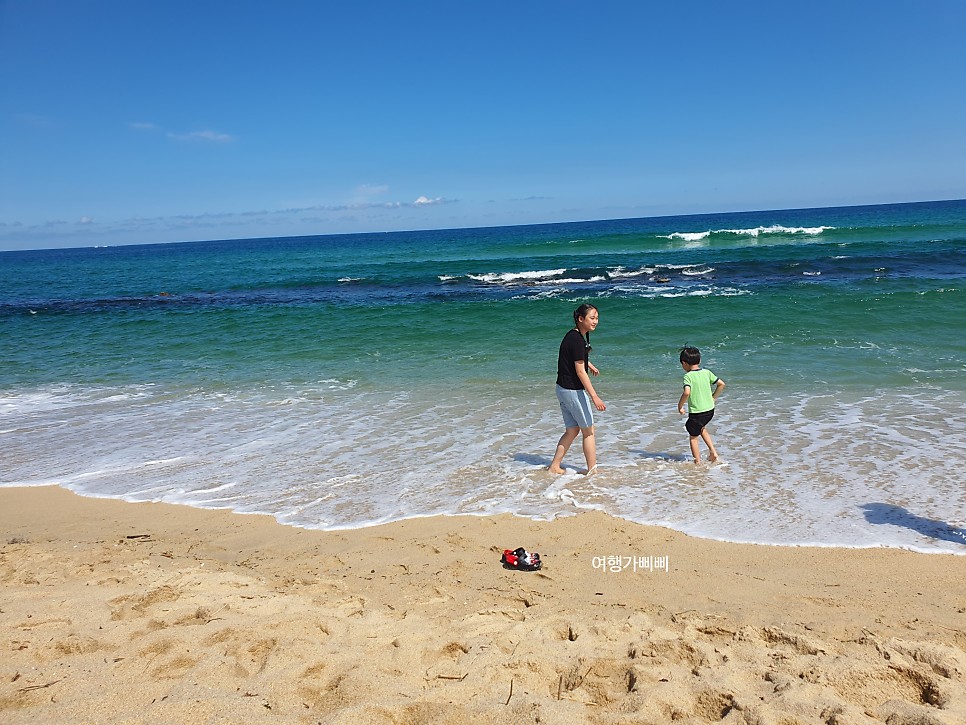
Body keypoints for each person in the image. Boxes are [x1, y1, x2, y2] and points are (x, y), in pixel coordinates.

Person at [548, 304, 606, 475]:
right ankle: (592, 471)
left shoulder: (575, 336)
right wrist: (594, 396)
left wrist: (590, 364)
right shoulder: (577, 340)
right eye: (592, 318)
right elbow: (580, 371)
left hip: (562, 389)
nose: (596, 321)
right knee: (588, 431)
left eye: (597, 318)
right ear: (581, 319)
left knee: (572, 430)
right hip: (573, 390)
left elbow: (574, 358)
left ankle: (554, 466)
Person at [677, 346, 725, 464]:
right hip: (710, 410)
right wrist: (713, 398)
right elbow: (721, 384)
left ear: (684, 363)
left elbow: (687, 392)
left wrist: (680, 406)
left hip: (697, 413)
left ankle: (697, 463)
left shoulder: (688, 376)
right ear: (699, 360)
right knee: (701, 428)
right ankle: (713, 452)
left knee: (693, 436)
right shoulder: (707, 372)